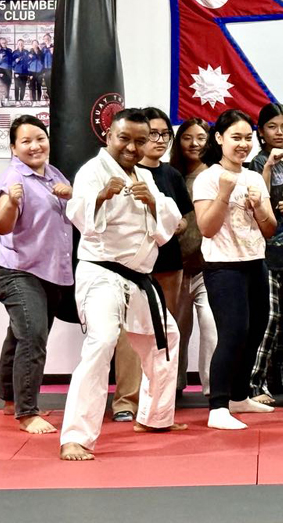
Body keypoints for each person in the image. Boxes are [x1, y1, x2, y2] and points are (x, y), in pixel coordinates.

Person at [60, 108, 185, 461]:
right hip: (102, 274)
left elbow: (170, 225)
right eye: (124, 138)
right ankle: (75, 437)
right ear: (109, 136)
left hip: (138, 278)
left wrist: (153, 201)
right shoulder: (92, 171)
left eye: (140, 141)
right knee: (101, 343)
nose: (132, 147)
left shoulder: (145, 175)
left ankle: (154, 417)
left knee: (166, 340)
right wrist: (101, 197)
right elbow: (79, 215)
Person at [107, 108, 193, 422]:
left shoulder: (171, 175)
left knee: (164, 334)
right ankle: (126, 401)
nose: (157, 140)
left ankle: (158, 404)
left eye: (163, 134)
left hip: (168, 262)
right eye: (151, 134)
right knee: (129, 335)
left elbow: (182, 217)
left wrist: (175, 223)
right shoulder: (121, 172)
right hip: (132, 266)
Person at [193, 109, 277, 430]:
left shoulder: (254, 177)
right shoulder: (208, 177)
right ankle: (217, 406)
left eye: (247, 138)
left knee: (255, 330)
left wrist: (258, 208)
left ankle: (239, 396)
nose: (243, 144)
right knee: (233, 333)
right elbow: (206, 228)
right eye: (235, 137)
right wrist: (225, 194)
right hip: (223, 266)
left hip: (255, 262)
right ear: (219, 138)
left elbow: (270, 228)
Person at [0, 115, 73, 434]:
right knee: (33, 335)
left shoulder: (53, 174)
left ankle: (11, 399)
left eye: (40, 138)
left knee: (21, 334)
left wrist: (71, 193)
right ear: (14, 148)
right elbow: (2, 226)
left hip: (48, 272)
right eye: (25, 141)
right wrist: (11, 203)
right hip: (17, 271)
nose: (35, 146)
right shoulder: (13, 179)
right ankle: (27, 412)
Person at [248, 103, 283, 404]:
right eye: (272, 127)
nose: (279, 132)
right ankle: (254, 383)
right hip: (265, 252)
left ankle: (281, 378)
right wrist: (269, 166)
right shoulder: (256, 163)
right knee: (268, 320)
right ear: (261, 131)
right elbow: (257, 200)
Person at [170, 118, 218, 397]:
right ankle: (173, 385)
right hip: (175, 268)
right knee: (176, 330)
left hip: (208, 267)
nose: (194, 143)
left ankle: (213, 388)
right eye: (187, 137)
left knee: (212, 327)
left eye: (201, 137)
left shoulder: (215, 176)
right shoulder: (169, 175)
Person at [0, 38, 13, 102]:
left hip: (9, 70)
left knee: (8, 85)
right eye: (2, 43)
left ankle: (6, 100)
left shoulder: (10, 50)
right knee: (0, 85)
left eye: (5, 42)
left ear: (7, 43)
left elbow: (11, 60)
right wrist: (0, 58)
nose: (4, 44)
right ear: (0, 43)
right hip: (1, 69)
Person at [41, 33, 53, 99]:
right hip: (45, 69)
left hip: (52, 69)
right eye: (45, 39)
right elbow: (41, 59)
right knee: (47, 84)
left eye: (48, 38)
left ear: (50, 39)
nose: (47, 40)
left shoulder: (54, 46)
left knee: (53, 84)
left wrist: (52, 53)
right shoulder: (43, 49)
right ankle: (50, 98)